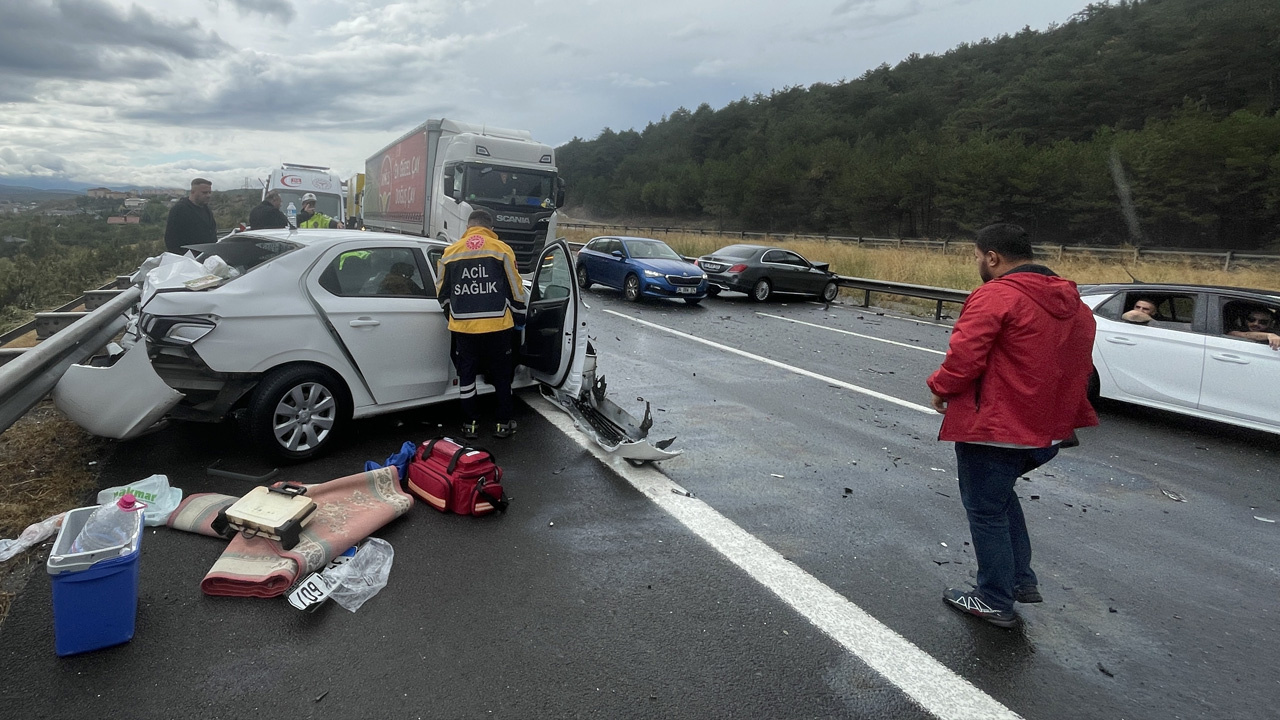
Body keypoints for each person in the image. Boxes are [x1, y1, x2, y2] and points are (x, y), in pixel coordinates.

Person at [927, 223, 1098, 628]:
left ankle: (993, 598)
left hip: (997, 428)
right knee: (1000, 498)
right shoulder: (1074, 302)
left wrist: (940, 388)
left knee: (985, 509)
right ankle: (1019, 579)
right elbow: (1080, 366)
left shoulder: (997, 295)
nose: (977, 265)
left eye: (976, 256)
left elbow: (965, 356)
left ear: (992, 257)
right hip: (1049, 430)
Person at [435, 208, 528, 439]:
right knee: (501, 375)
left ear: (468, 227)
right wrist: (520, 317)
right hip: (498, 327)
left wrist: (452, 314)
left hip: (464, 329)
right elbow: (516, 289)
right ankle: (502, 424)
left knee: (466, 377)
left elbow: (441, 290)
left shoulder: (450, 252)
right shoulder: (501, 249)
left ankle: (470, 425)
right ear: (491, 228)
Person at [164, 178, 216, 254]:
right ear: (192, 192)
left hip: (207, 256)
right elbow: (171, 240)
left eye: (209, 192)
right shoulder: (180, 210)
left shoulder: (206, 208)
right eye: (204, 193)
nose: (208, 195)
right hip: (189, 259)